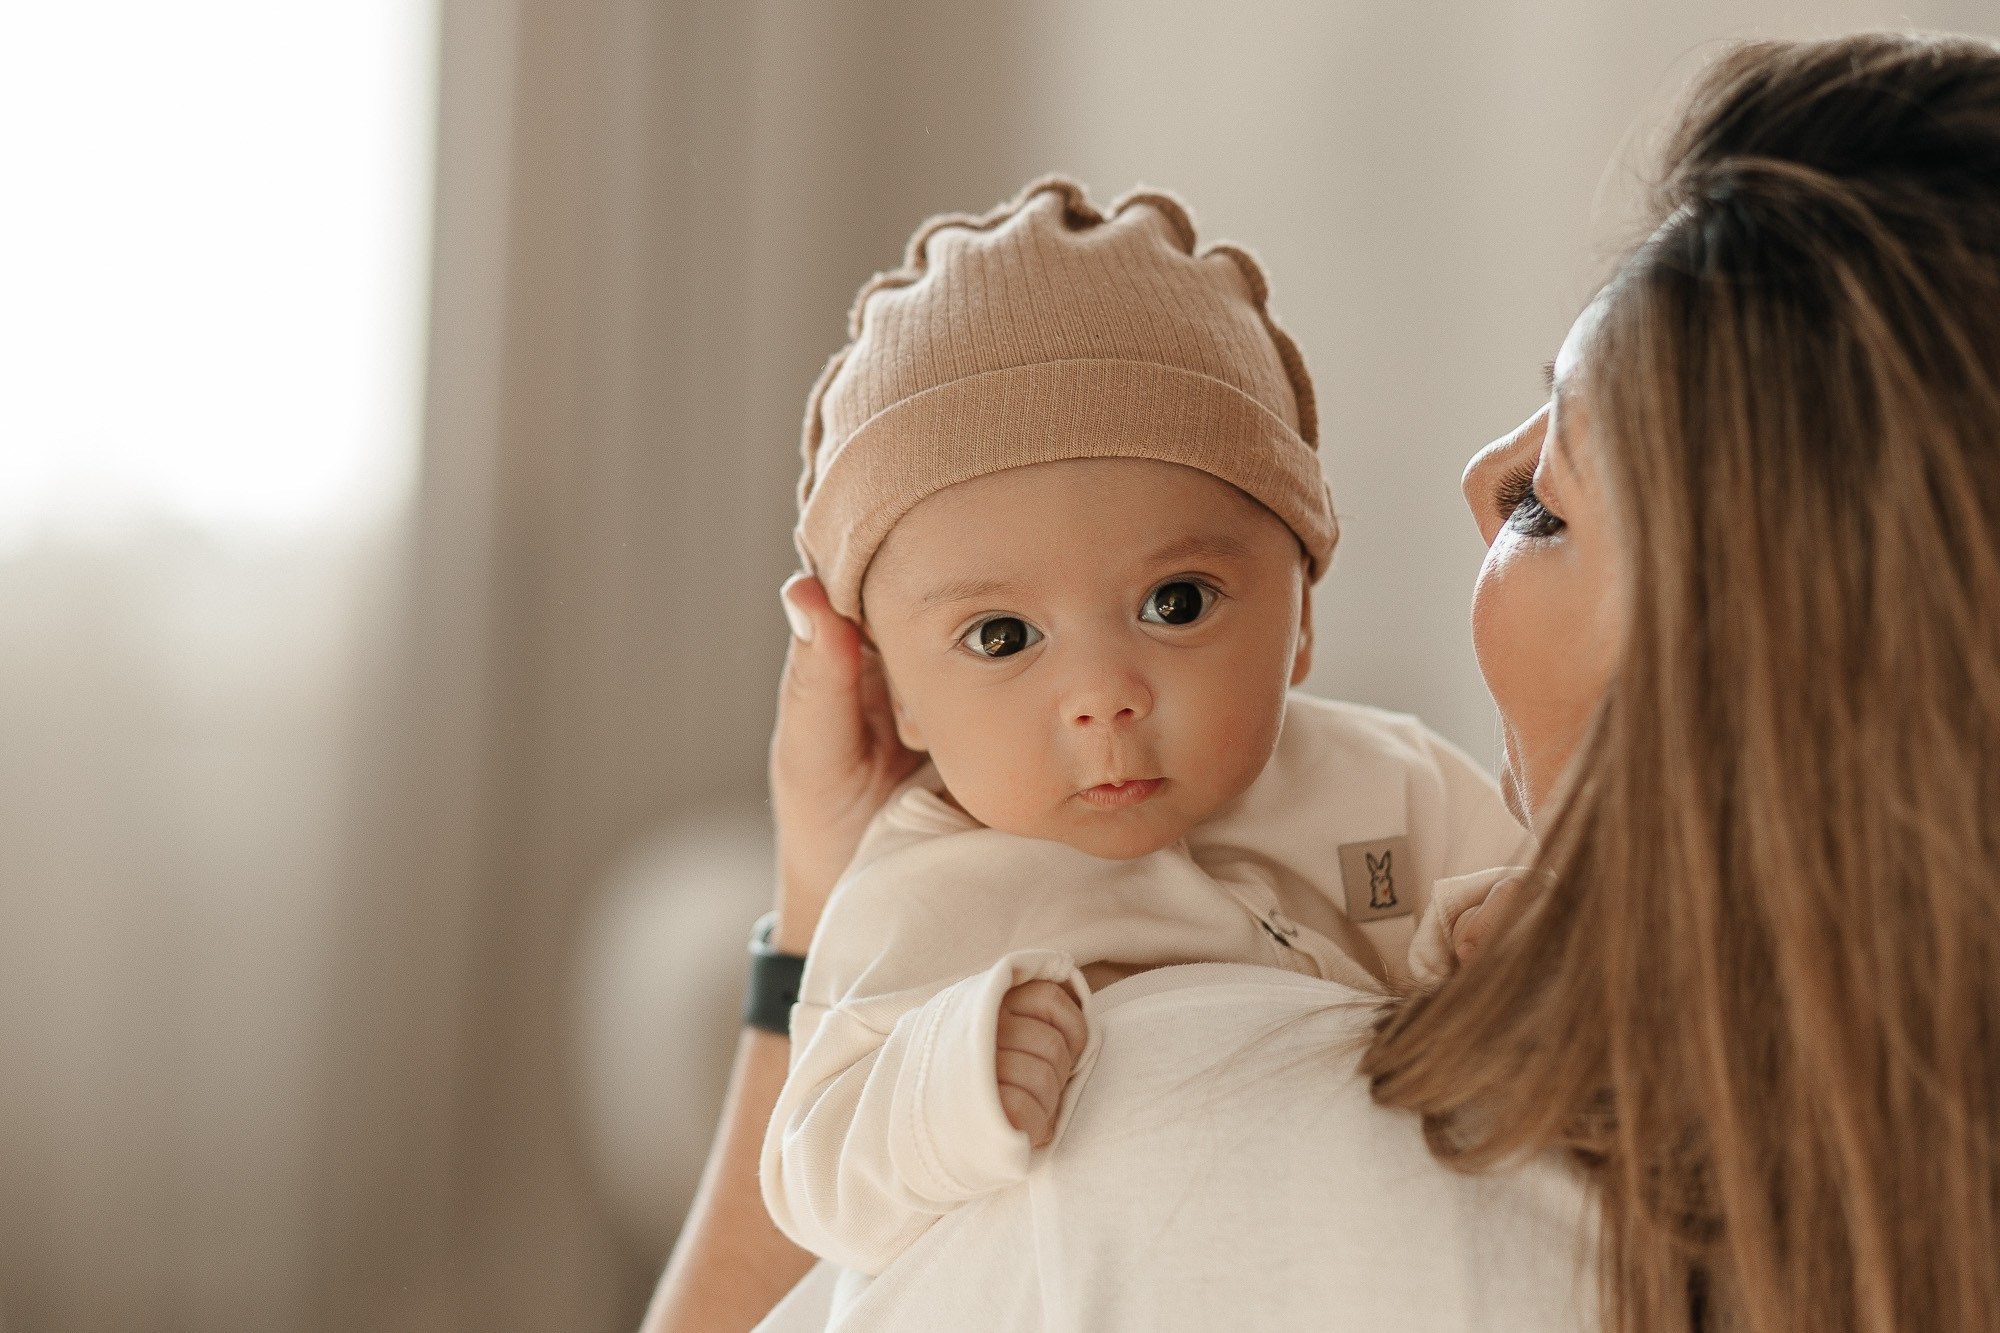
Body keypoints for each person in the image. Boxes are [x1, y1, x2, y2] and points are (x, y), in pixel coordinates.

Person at [643, 31, 2000, 1333]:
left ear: (1738, 674)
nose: (1482, 477)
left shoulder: (1185, 1128)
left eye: (1548, 505)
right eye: (1001, 635)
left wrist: (809, 928)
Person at [761, 178, 1530, 1287]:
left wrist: (1502, 929)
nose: (1103, 694)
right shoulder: (919, 894)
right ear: (891, 693)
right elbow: (811, 1171)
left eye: (1175, 604)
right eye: (1001, 635)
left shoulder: (1395, 785)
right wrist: (947, 1079)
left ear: (1300, 617)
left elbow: (1553, 923)